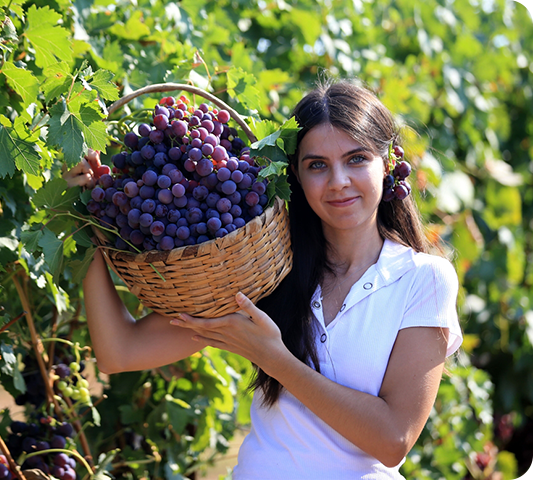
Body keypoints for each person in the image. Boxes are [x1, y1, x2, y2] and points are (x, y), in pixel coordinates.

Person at [66, 79, 463, 479]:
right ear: (296, 175)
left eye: (356, 159)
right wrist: (87, 221)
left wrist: (274, 358)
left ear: (388, 162)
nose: (338, 180)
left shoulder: (422, 280)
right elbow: (120, 352)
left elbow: (393, 440)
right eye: (317, 165)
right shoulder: (269, 271)